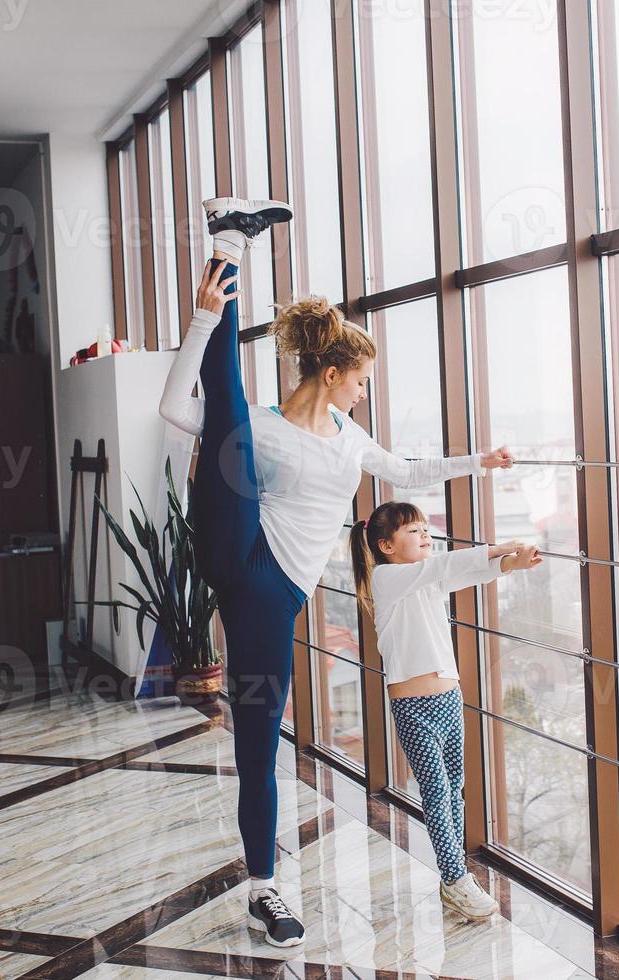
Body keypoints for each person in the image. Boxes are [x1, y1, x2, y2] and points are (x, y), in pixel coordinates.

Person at [158, 196, 515, 947]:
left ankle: (264, 890)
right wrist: (200, 321)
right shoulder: (262, 424)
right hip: (236, 547)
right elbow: (173, 405)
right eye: (357, 382)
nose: (362, 394)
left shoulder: (351, 438)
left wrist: (478, 462)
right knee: (225, 413)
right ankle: (228, 241)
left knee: (260, 741)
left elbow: (408, 467)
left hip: (272, 593)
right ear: (328, 373)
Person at [348, 501, 541, 920]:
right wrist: (498, 547)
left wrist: (512, 564)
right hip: (413, 706)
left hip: (449, 699)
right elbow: (443, 567)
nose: (424, 535)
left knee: (455, 790)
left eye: (424, 528)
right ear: (386, 546)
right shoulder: (386, 579)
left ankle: (454, 881)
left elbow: (464, 573)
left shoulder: (422, 582)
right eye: (413, 531)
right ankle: (455, 879)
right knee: (436, 793)